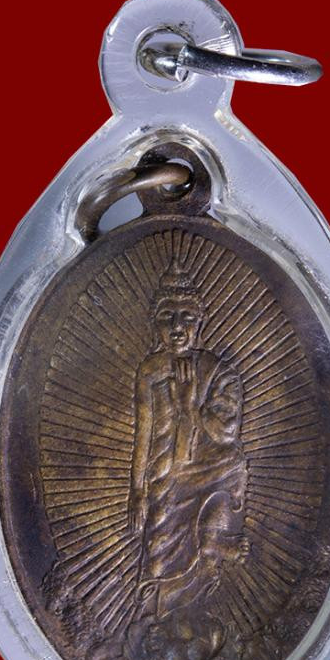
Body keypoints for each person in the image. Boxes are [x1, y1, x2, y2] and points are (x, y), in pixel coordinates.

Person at [128, 262, 250, 621]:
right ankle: (157, 622)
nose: (177, 328)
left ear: (200, 322)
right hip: (166, 478)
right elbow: (144, 434)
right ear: (155, 323)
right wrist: (137, 491)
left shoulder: (218, 371)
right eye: (167, 317)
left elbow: (226, 432)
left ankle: (213, 545)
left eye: (187, 318)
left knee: (228, 476)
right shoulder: (150, 371)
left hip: (209, 473)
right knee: (158, 558)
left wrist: (189, 407)